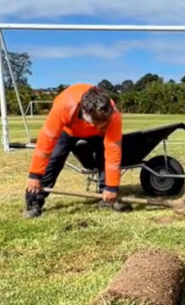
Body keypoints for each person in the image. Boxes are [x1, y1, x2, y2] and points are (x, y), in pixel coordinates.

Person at [23, 83, 127, 218]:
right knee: (54, 159)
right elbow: (45, 143)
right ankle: (34, 200)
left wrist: (112, 187)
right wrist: (34, 175)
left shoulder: (113, 116)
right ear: (85, 113)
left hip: (96, 135)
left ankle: (106, 198)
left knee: (104, 157)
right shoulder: (64, 106)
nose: (103, 124)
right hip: (68, 131)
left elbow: (113, 153)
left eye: (105, 121)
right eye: (99, 121)